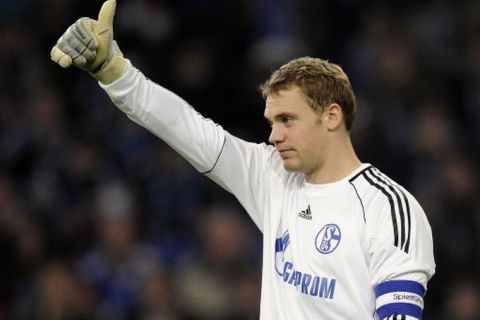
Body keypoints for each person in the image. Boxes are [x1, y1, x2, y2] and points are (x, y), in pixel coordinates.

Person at [50, 1, 436, 319]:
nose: (273, 136)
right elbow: (188, 129)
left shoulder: (388, 209)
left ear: (332, 117)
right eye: (271, 122)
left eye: (287, 120)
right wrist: (114, 72)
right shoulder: (272, 177)